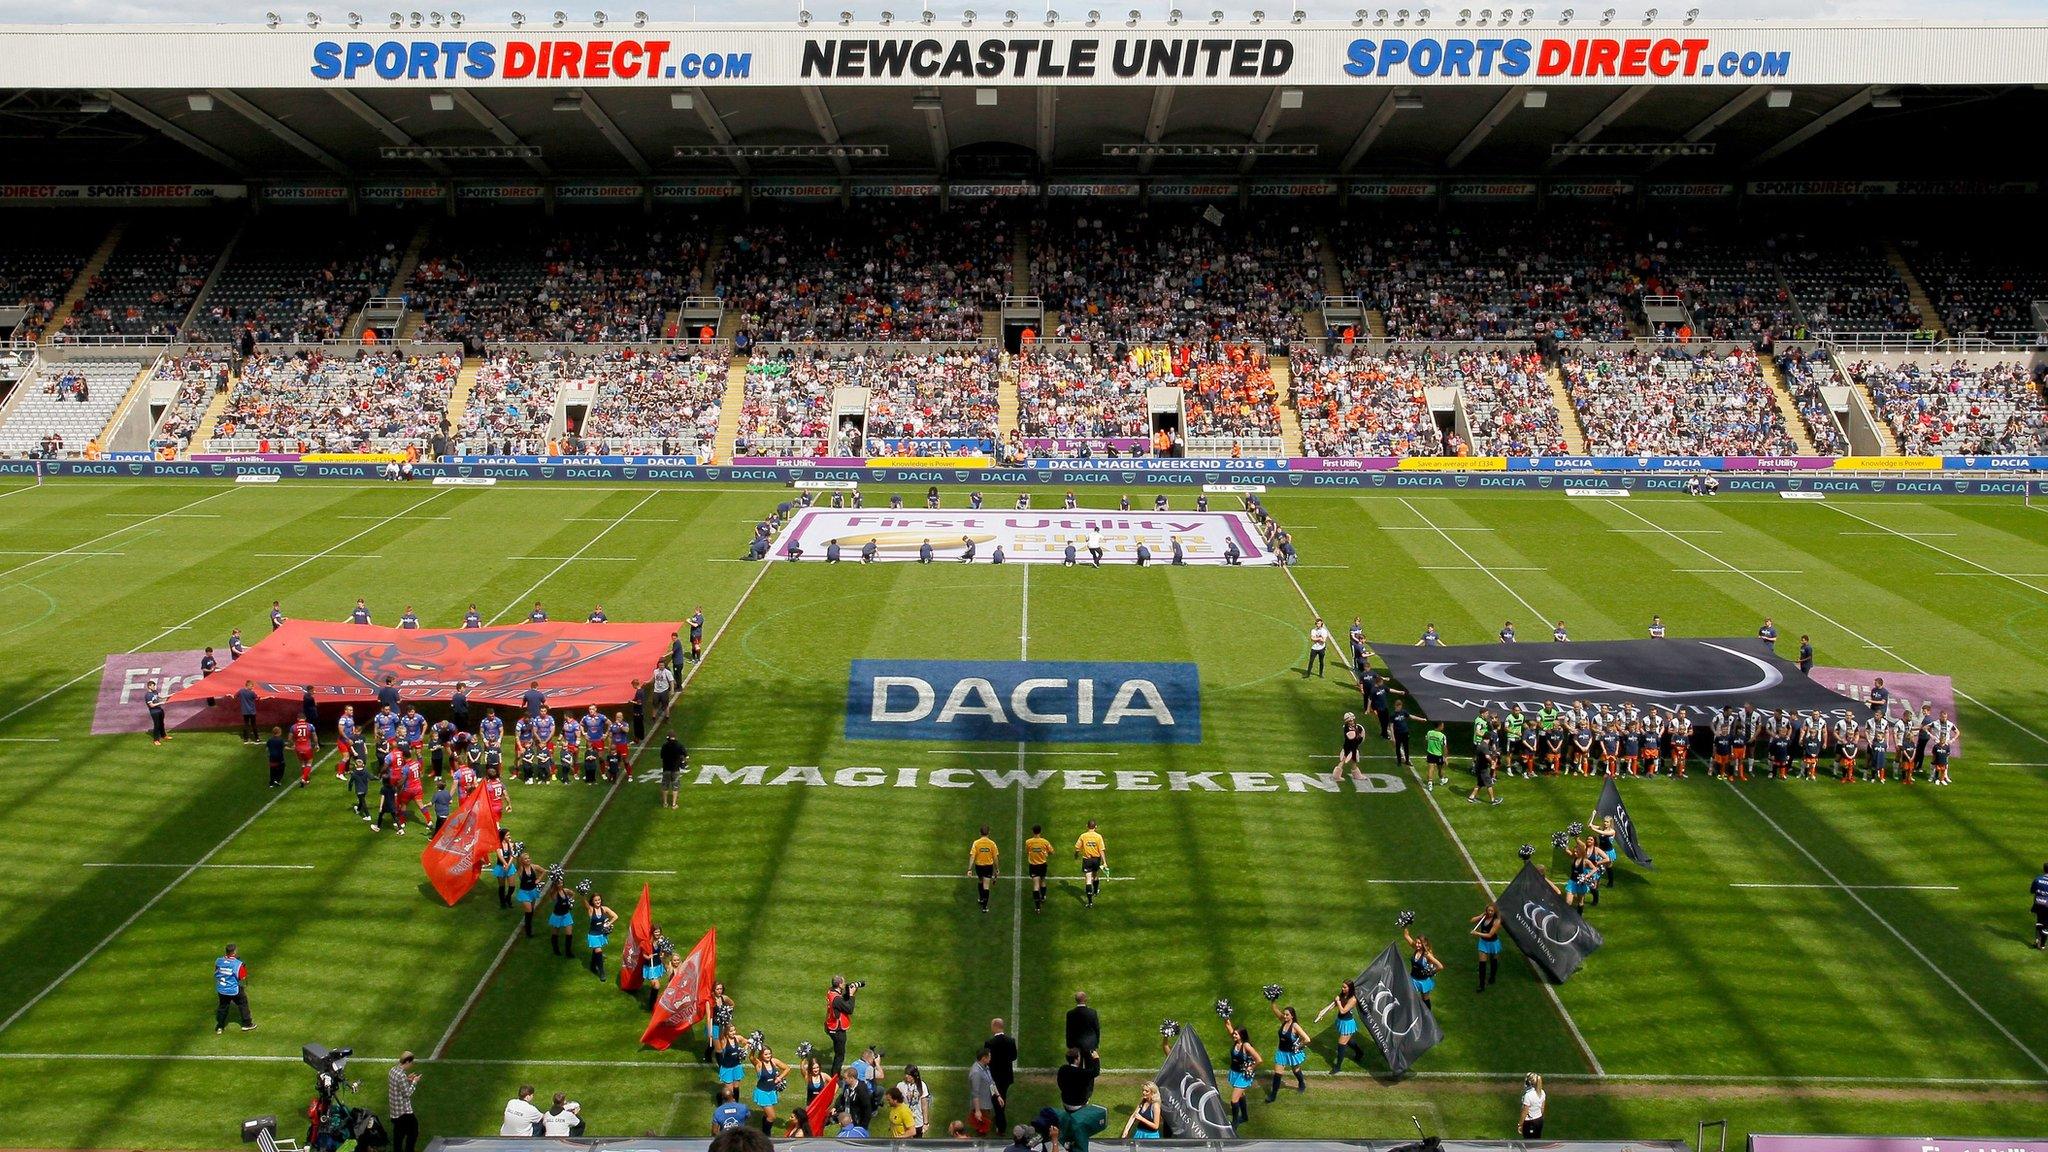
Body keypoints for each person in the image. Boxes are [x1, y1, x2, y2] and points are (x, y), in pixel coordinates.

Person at [1314, 979, 1366, 1072]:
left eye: (1344, 987)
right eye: (1342, 987)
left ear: (1350, 988)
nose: (1342, 989)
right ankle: (1360, 1052)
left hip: (1347, 1023)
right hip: (1341, 1021)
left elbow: (1343, 1011)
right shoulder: (1342, 995)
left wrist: (1338, 1002)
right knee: (1348, 1040)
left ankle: (1337, 1067)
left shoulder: (1353, 999)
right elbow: (1332, 1005)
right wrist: (1322, 1012)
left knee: (1341, 1044)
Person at [1266, 1002, 1309, 1100]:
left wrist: (1298, 1046)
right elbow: (1275, 1010)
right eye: (1284, 1014)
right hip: (1281, 1052)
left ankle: (1301, 1083)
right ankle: (1273, 1095)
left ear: (1292, 1016)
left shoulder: (1295, 1026)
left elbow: (1307, 1039)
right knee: (1277, 1073)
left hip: (1291, 1053)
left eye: (1287, 1015)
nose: (1284, 1016)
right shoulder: (1283, 1021)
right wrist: (1273, 1000)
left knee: (1296, 1069)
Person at [212, 943, 253, 1034]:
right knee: (243, 1003)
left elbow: (216, 972)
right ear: (234, 952)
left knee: (223, 1007)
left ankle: (220, 1027)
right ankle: (247, 1024)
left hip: (222, 989)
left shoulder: (218, 961)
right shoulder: (238, 964)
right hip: (233, 990)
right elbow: (242, 978)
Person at [1223, 1022, 1260, 1125]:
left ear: (1242, 1035)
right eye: (1234, 1034)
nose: (1234, 1035)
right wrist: (1226, 1017)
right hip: (1234, 1073)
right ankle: (1244, 1116)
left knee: (1234, 1100)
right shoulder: (1236, 1042)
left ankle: (1235, 1122)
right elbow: (1228, 1026)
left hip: (1242, 1076)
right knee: (1241, 1095)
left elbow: (1259, 1059)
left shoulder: (1246, 1045)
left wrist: (1250, 1068)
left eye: (1236, 1034)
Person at [986, 1019, 1018, 1129]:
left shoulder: (989, 1043)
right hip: (1007, 1076)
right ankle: (999, 1119)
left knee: (996, 1099)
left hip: (994, 1077)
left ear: (995, 1027)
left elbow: (987, 1060)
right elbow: (1014, 1057)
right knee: (1002, 1096)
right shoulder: (1011, 1041)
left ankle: (1001, 1125)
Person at [753, 1045, 791, 1135]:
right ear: (761, 1055)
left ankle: (763, 1132)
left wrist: (779, 1078)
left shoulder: (774, 1061)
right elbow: (751, 1057)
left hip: (771, 1092)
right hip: (762, 1093)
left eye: (769, 1053)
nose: (768, 1056)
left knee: (767, 1115)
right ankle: (767, 1134)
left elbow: (787, 1068)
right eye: (766, 1054)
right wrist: (753, 1049)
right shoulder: (759, 1064)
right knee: (772, 1117)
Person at [387, 1053, 421, 1152]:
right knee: (413, 1132)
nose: (411, 1065)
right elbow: (407, 1093)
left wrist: (407, 1079)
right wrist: (414, 1082)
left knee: (398, 1135)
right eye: (411, 1062)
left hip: (394, 1111)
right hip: (403, 1112)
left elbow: (396, 1083)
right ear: (407, 1062)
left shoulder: (392, 1070)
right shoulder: (401, 1075)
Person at [1403, 927, 1442, 1012]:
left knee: (1425, 998)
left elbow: (1440, 966)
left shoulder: (1427, 955)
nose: (1417, 945)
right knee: (1409, 995)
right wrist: (1406, 925)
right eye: (1416, 942)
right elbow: (1406, 936)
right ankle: (1411, 1013)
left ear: (1424, 944)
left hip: (1423, 981)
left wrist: (1431, 972)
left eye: (1419, 943)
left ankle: (1428, 1016)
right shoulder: (1415, 948)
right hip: (1413, 979)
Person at [825, 975, 858, 1073]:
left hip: (830, 1026)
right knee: (840, 1055)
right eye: (843, 982)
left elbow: (841, 1000)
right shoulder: (837, 999)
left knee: (837, 1052)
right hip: (837, 1030)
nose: (845, 983)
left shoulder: (831, 992)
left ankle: (835, 1074)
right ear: (839, 984)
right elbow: (849, 1009)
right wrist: (851, 995)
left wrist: (847, 992)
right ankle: (835, 1077)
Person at [968, 1047, 1000, 1136]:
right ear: (983, 1058)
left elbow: (991, 1082)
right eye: (989, 1057)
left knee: (985, 1126)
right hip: (981, 1106)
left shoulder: (985, 1067)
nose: (991, 1058)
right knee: (982, 1130)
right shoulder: (976, 1073)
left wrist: (998, 1095)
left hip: (986, 1103)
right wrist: (978, 1111)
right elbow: (975, 1093)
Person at [1074, 822, 1107, 907]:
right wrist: (1104, 862)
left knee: (1088, 879)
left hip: (1087, 860)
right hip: (1096, 860)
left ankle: (1090, 903)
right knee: (1095, 875)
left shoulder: (1083, 836)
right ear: (1095, 826)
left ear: (1087, 826)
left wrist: (1076, 855)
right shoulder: (1098, 837)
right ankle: (1095, 891)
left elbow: (1077, 848)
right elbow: (1101, 850)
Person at [1472, 902, 1503, 991]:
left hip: (1493, 943)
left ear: (1495, 912)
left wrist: (1476, 933)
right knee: (1482, 964)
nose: (1490, 912)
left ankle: (1492, 977)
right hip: (1483, 943)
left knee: (1493, 961)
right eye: (1488, 910)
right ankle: (1481, 985)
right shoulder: (1484, 917)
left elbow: (1490, 935)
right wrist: (1480, 916)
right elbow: (1472, 920)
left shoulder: (1497, 921)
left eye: (1492, 911)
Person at [970, 824, 1000, 913]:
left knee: (980, 881)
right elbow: (995, 858)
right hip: (988, 866)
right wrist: (997, 868)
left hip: (979, 866)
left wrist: (969, 869)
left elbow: (972, 856)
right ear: (989, 833)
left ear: (980, 833)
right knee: (986, 885)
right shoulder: (992, 843)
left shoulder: (976, 843)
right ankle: (984, 907)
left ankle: (981, 898)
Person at [1024, 825, 1053, 913]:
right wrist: (1046, 853)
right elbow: (1052, 852)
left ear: (1033, 832)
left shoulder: (1028, 842)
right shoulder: (1045, 842)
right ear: (1040, 831)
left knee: (1036, 885)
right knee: (1043, 881)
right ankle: (1043, 897)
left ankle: (1037, 908)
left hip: (1033, 866)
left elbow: (1027, 851)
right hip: (1042, 865)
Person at [896, 1065, 931, 1137]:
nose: (906, 1076)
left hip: (917, 1121)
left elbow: (924, 1105)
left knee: (917, 1144)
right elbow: (897, 1104)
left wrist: (925, 1123)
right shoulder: (900, 1085)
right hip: (904, 1120)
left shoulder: (922, 1085)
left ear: (914, 1075)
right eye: (906, 1074)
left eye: (909, 1075)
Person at [1333, 711, 1365, 782]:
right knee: (1344, 760)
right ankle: (1336, 775)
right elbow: (1353, 738)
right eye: (1350, 720)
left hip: (1352, 747)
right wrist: (1360, 737)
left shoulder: (1353, 727)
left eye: (1353, 720)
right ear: (1347, 721)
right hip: (1350, 747)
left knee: (1353, 761)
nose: (1352, 721)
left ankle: (1356, 775)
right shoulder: (1348, 728)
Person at [1467, 740, 1500, 806]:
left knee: (1480, 783)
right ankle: (1493, 800)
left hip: (1479, 767)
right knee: (1489, 784)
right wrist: (1492, 762)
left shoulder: (1480, 745)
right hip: (1483, 769)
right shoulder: (1485, 746)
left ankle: (1471, 797)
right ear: (1489, 739)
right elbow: (1487, 757)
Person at [659, 734, 686, 809]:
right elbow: (685, 755)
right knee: (675, 786)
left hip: (666, 769)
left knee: (665, 786)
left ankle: (665, 803)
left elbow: (661, 756)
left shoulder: (664, 746)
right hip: (675, 769)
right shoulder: (679, 745)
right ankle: (674, 804)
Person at [1518, 1072, 1546, 1137]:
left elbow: (1525, 1111)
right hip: (1539, 1120)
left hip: (1529, 1122)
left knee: (1529, 1142)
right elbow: (1542, 1108)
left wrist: (1520, 1124)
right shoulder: (1542, 1092)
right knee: (1537, 1141)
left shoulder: (1528, 1095)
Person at [1422, 722, 1447, 790]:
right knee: (1440, 769)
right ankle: (1442, 780)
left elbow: (1426, 740)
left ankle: (1430, 784)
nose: (1443, 727)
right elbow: (1444, 747)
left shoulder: (1429, 732)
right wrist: (1445, 757)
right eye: (1442, 725)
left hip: (1430, 754)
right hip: (1438, 755)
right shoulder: (1442, 736)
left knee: (1431, 769)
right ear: (1439, 726)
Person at [144, 679, 169, 745]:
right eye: (153, 686)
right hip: (154, 712)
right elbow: (151, 705)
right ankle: (156, 740)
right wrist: (160, 703)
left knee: (162, 724)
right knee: (157, 725)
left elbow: (162, 696)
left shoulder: (155, 692)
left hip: (160, 710)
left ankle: (164, 735)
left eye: (154, 686)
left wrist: (171, 695)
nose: (154, 687)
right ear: (149, 686)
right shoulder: (148, 695)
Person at [2033, 862, 2048, 950]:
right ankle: (2042, 945)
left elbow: (2032, 890)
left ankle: (2037, 940)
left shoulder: (2038, 879)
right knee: (2046, 925)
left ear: (2043, 869)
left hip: (2038, 903)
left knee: (2039, 921)